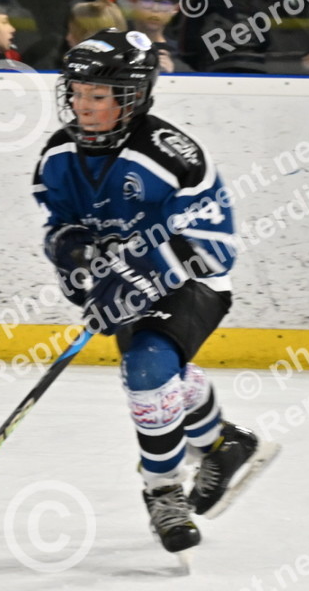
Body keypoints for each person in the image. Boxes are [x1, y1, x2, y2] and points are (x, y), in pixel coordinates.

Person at [32, 29, 278, 558]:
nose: (83, 105)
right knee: (163, 376)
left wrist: (136, 276)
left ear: (133, 96)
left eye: (99, 96)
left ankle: (163, 492)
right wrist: (80, 260)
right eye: (77, 92)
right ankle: (224, 444)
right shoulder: (59, 155)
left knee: (147, 368)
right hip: (124, 282)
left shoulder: (171, 155)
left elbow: (214, 248)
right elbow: (59, 227)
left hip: (192, 282)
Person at [123, 0, 187, 73]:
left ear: (176, 9)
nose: (155, 9)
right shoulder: (116, 41)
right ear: (132, 0)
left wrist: (174, 74)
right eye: (147, 0)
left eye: (164, 3)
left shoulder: (178, 54)